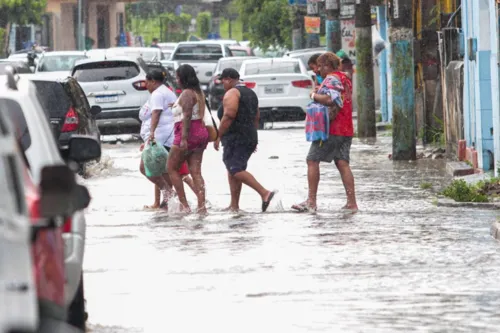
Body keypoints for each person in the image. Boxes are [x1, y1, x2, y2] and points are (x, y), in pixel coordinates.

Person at [292, 52, 358, 213]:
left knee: (312, 160)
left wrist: (314, 95)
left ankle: (311, 202)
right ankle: (351, 203)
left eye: (320, 66)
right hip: (346, 128)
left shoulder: (332, 79)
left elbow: (330, 100)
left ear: (327, 65)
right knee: (342, 163)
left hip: (331, 128)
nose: (318, 70)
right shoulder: (344, 78)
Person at [214, 68, 275, 213]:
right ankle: (234, 205)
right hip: (247, 136)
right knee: (233, 169)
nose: (222, 83)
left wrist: (218, 136)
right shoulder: (251, 92)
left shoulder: (232, 93)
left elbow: (229, 115)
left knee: (235, 169)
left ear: (229, 79)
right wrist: (253, 137)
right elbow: (257, 116)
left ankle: (264, 193)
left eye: (223, 80)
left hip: (236, 137)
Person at [139, 69, 194, 209]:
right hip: (169, 136)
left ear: (153, 81)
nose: (146, 85)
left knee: (146, 167)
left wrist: (151, 134)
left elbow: (156, 113)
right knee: (162, 170)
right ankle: (166, 201)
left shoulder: (157, 94)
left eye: (147, 82)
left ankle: (170, 194)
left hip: (162, 137)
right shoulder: (166, 91)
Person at [167, 64, 209, 214]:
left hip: (187, 133)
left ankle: (184, 206)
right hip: (201, 133)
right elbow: (191, 110)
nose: (177, 79)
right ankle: (202, 207)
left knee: (171, 168)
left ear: (182, 78)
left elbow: (187, 115)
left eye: (178, 76)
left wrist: (184, 138)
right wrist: (176, 106)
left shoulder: (186, 93)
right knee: (196, 172)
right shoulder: (198, 92)